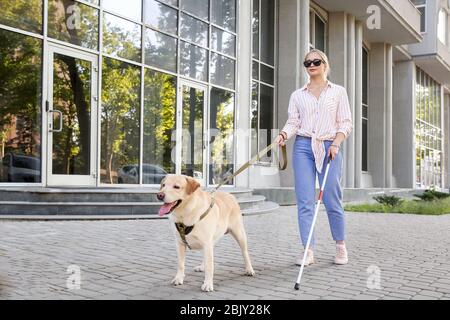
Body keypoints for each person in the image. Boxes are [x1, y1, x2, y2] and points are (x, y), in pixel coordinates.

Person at [275, 49, 353, 266]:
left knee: (331, 197)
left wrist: (336, 143)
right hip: (303, 146)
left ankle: (340, 245)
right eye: (307, 62)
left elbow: (346, 122)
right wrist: (283, 134)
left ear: (324, 64)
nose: (311, 65)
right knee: (305, 200)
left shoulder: (338, 92)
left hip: (330, 145)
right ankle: (308, 250)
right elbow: (293, 123)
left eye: (316, 61)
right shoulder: (297, 95)